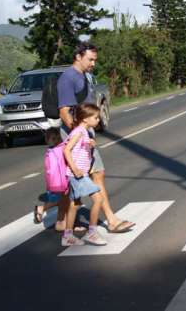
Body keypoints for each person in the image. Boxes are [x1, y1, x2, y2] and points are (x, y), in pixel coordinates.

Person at [57, 42, 134, 233]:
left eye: (94, 60)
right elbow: (65, 112)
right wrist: (80, 135)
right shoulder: (68, 78)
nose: (93, 63)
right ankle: (112, 221)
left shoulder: (86, 76)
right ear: (78, 57)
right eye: (90, 59)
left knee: (76, 179)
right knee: (94, 175)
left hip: (85, 133)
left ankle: (61, 221)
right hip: (76, 136)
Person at [62, 103, 106, 246]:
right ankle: (92, 232)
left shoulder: (84, 132)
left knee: (74, 205)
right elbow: (67, 150)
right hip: (77, 175)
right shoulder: (79, 132)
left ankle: (67, 236)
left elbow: (80, 149)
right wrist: (74, 169)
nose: (98, 120)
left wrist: (90, 144)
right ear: (85, 119)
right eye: (96, 117)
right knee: (98, 199)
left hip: (80, 174)